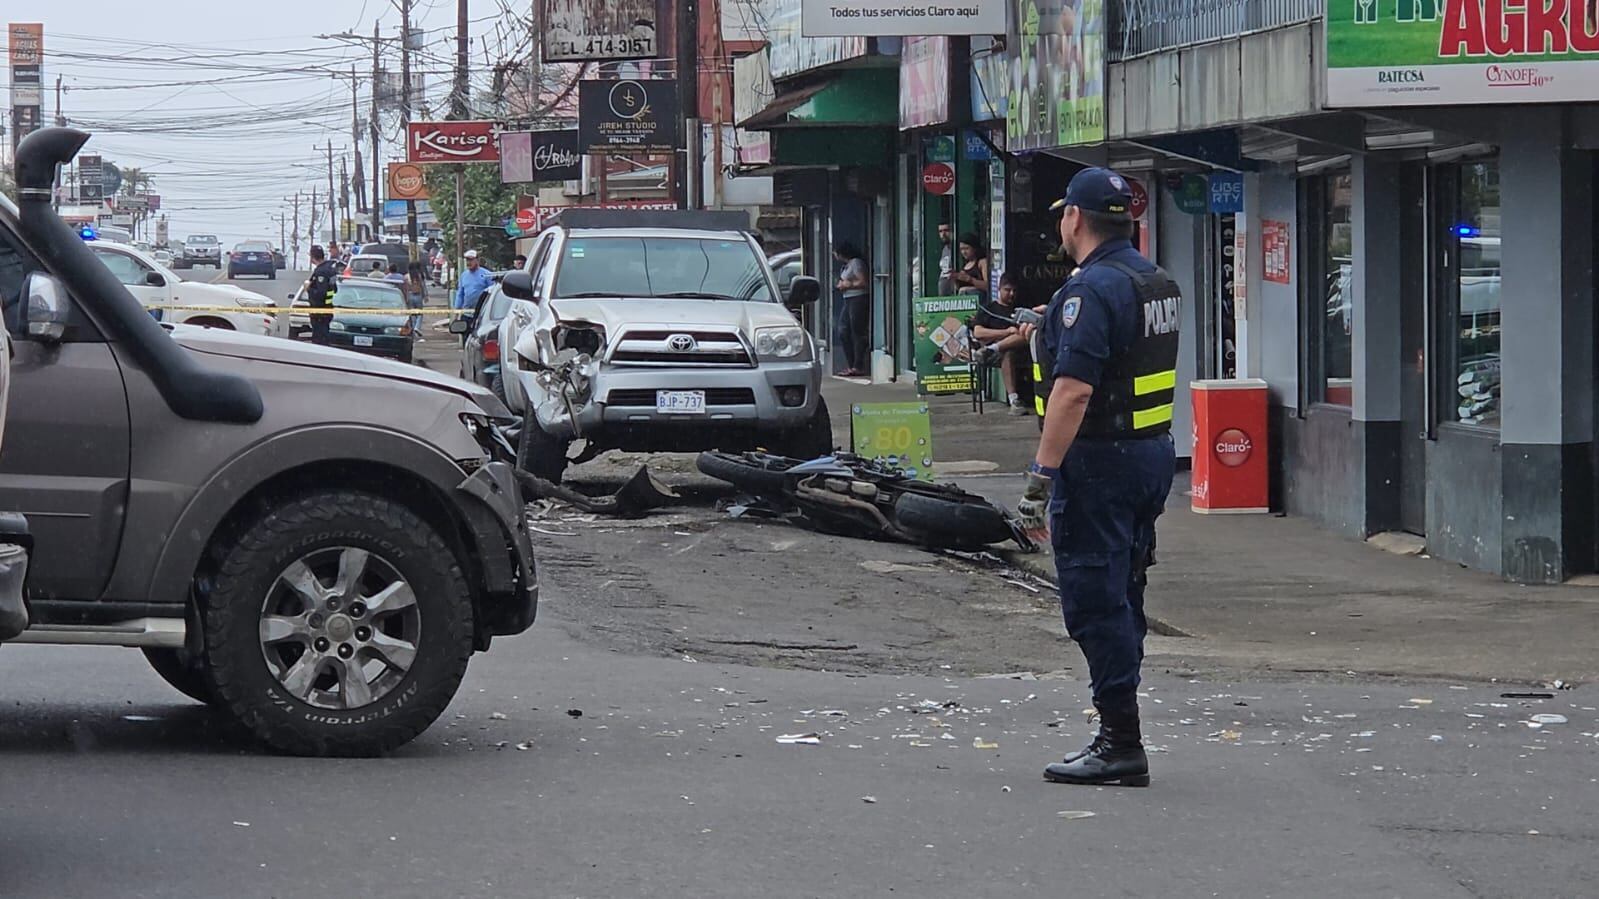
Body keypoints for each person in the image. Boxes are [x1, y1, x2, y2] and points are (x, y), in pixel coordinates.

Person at [1016, 167, 1182, 788]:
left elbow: (1073, 394)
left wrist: (1040, 479)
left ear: (1075, 219)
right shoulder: (1154, 280)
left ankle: (1120, 740)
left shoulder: (1089, 291)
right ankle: (1120, 728)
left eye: (1063, 214)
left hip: (1099, 464)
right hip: (1149, 457)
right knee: (1126, 585)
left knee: (1093, 598)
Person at [971, 272, 1032, 415]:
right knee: (1008, 352)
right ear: (999, 289)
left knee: (1026, 333)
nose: (1011, 294)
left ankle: (991, 349)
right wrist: (1006, 333)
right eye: (1007, 290)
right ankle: (1013, 400)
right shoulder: (989, 309)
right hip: (998, 355)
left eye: (1014, 291)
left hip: (1023, 349)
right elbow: (978, 332)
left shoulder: (1021, 308)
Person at [833, 242, 870, 377]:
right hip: (848, 299)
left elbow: (864, 282)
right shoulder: (846, 266)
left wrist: (849, 285)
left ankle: (857, 365)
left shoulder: (856, 263)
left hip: (858, 298)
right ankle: (851, 364)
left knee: (857, 330)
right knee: (843, 330)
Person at [306, 245, 340, 346]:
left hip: (319, 310)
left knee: (319, 340)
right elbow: (335, 289)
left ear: (312, 257)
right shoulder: (330, 269)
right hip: (327, 309)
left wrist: (309, 288)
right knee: (325, 337)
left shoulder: (321, 272)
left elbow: (321, 293)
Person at [951, 233, 990, 297]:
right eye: (961, 249)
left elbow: (987, 286)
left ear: (974, 248)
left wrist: (970, 280)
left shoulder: (982, 262)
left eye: (966, 248)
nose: (964, 252)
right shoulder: (965, 265)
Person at [404, 260, 428, 340]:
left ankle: (414, 328)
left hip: (410, 295)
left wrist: (405, 297)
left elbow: (405, 288)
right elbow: (423, 286)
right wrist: (425, 296)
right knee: (420, 313)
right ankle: (417, 327)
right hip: (418, 296)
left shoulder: (407, 276)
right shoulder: (419, 276)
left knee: (412, 314)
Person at [936, 223, 954, 295]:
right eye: (940, 231)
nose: (943, 234)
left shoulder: (957, 249)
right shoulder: (945, 249)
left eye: (946, 230)